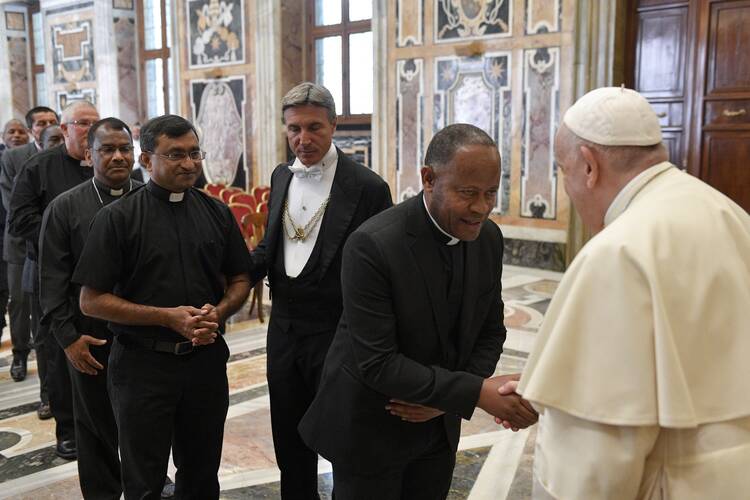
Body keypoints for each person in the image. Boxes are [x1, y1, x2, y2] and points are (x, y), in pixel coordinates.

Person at [510, 87, 750, 499]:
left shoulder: (615, 253)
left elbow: (595, 456)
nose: (568, 189)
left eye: (563, 170)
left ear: (589, 166)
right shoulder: (728, 213)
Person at [299, 124, 538, 499]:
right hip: (370, 428)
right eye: (468, 193)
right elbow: (377, 362)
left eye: (491, 193)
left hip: (436, 430)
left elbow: (491, 331)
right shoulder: (372, 245)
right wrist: (473, 392)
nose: (481, 207)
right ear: (429, 178)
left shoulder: (488, 238)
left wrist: (446, 400)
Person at [74, 114, 251, 500]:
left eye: (193, 153)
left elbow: (241, 278)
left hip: (204, 363)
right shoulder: (116, 219)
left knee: (202, 474)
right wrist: (166, 318)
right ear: (147, 159)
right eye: (175, 155)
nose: (189, 164)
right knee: (143, 481)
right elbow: (91, 300)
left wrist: (218, 313)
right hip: (142, 368)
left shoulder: (216, 212)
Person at [247, 82, 392, 499]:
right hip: (284, 330)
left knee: (344, 438)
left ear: (333, 125)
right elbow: (271, 245)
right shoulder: (281, 175)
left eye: (314, 127)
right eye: (294, 129)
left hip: (338, 332)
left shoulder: (367, 187)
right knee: (288, 438)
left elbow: (382, 273)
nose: (303, 139)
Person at [39, 117, 138, 499]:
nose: (117, 157)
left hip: (142, 338)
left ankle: (146, 482)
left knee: (142, 422)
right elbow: (51, 283)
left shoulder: (148, 197)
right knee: (95, 429)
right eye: (107, 149)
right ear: (87, 154)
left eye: (124, 149)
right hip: (89, 337)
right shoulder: (65, 208)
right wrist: (68, 340)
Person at [9, 100, 99, 458]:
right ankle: (68, 429)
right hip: (54, 276)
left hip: (101, 278)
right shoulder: (39, 167)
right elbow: (19, 221)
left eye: (96, 122)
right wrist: (64, 234)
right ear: (64, 130)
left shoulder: (108, 165)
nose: (91, 129)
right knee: (58, 354)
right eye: (83, 123)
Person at [0, 106, 58, 389]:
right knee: (20, 303)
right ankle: (20, 355)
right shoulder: (14, 157)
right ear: (31, 128)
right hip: (22, 245)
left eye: (52, 121)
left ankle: (47, 363)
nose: (46, 125)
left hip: (56, 246)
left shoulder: (62, 153)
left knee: (46, 307)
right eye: (40, 122)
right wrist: (57, 226)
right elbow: (15, 205)